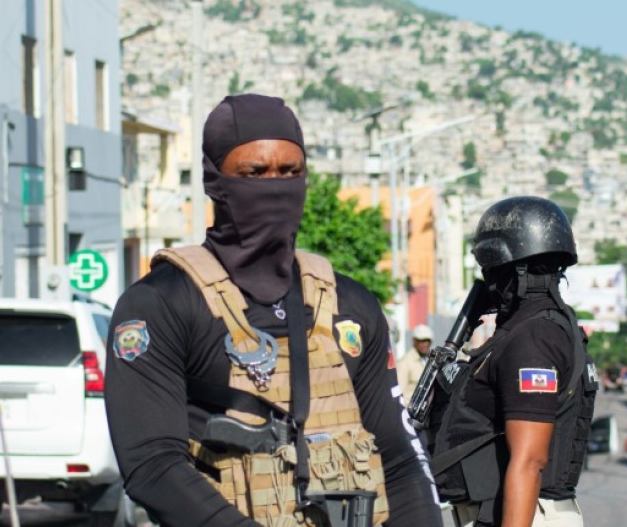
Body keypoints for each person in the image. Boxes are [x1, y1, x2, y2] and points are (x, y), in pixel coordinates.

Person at [104, 94, 442, 527]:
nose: (276, 186)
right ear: (214, 180)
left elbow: (399, 456)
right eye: (255, 173)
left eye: (290, 172)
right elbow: (151, 464)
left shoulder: (348, 304)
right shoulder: (162, 302)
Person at [445, 196, 596, 527]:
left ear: (514, 268)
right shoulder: (533, 328)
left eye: (492, 268)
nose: (488, 280)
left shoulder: (534, 338)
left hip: (523, 516)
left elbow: (530, 461)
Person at [397, 324, 434, 403]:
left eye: (427, 340)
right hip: (410, 410)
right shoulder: (405, 362)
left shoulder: (431, 360)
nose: (425, 344)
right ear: (414, 341)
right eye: (421, 340)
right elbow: (399, 392)